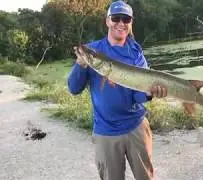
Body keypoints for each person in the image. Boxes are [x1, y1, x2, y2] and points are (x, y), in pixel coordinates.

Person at [67, 1, 167, 180]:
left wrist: (149, 92)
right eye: (116, 18)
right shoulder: (94, 51)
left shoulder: (136, 53)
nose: (121, 23)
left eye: (126, 19)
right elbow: (74, 88)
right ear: (107, 21)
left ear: (130, 23)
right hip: (106, 131)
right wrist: (80, 64)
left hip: (136, 126)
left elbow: (137, 96)